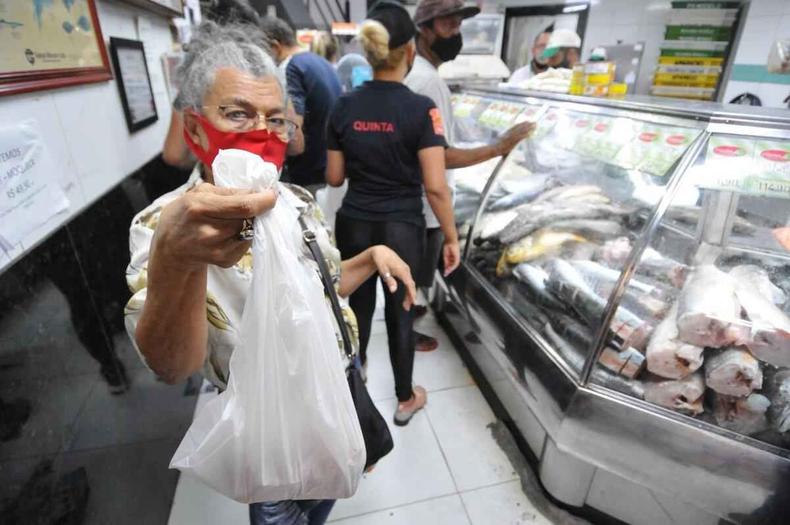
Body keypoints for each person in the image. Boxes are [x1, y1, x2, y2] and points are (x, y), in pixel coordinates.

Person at [124, 21, 417, 525]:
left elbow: (317, 295)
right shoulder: (164, 226)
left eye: (275, 119)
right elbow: (173, 366)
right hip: (271, 427)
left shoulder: (297, 202)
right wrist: (179, 260)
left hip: (334, 396)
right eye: (237, 114)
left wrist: (368, 260)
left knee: (326, 496)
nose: (261, 132)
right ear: (195, 129)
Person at [326, 0, 460, 426]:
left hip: (354, 222)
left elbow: (333, 177)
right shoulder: (422, 109)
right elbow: (436, 186)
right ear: (410, 51)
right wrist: (452, 238)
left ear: (370, 52)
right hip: (402, 226)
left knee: (357, 309)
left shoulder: (343, 107)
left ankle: (356, 382)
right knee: (401, 309)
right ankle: (405, 398)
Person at [405, 0, 536, 349]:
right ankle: (403, 333)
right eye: (448, 25)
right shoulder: (428, 81)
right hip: (424, 202)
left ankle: (406, 317)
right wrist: (496, 148)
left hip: (418, 199)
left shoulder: (424, 75)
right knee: (412, 274)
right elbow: (440, 157)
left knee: (413, 274)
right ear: (424, 31)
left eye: (459, 26)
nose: (456, 34)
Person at [261, 17, 341, 193]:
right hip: (329, 167)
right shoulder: (321, 62)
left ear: (275, 46)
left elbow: (293, 136)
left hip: (306, 176)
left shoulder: (290, 68)